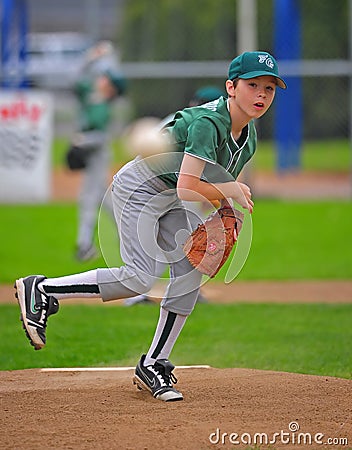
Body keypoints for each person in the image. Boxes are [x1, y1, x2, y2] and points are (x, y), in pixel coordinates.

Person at [14, 51, 286, 402]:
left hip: (168, 195)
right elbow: (191, 186)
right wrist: (229, 191)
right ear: (231, 87)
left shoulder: (247, 139)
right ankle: (44, 289)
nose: (261, 94)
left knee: (191, 267)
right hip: (139, 189)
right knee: (140, 277)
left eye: (269, 87)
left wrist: (226, 212)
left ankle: (154, 363)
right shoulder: (208, 123)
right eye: (252, 85)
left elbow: (210, 185)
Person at [124, 85, 225, 306]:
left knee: (182, 242)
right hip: (159, 190)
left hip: (178, 189)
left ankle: (188, 290)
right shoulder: (190, 122)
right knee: (174, 242)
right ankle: (144, 294)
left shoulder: (206, 125)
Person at [71, 41, 126, 261]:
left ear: (111, 89)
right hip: (92, 154)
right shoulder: (92, 96)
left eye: (105, 79)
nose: (100, 79)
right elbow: (75, 80)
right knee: (105, 200)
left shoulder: (103, 106)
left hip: (98, 155)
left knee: (89, 198)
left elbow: (101, 137)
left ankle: (84, 245)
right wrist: (91, 57)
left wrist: (80, 141)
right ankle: (128, 234)